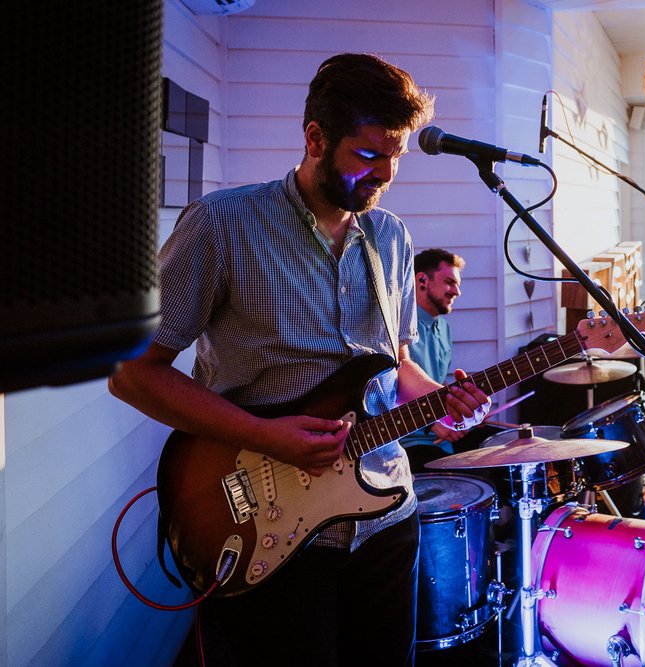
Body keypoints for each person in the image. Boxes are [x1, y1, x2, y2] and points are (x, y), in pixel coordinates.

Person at [108, 53, 491, 666]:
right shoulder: (222, 223)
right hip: (267, 524)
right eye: (368, 155)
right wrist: (266, 435)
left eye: (395, 158)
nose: (385, 174)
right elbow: (133, 372)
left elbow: (394, 366)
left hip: (386, 515)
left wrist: (444, 401)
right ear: (315, 138)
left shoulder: (392, 238)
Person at [400, 248, 476, 471]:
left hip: (444, 443)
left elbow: (435, 385)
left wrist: (463, 405)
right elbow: (385, 391)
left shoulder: (443, 328)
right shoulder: (398, 326)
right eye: (449, 282)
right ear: (422, 280)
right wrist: (431, 422)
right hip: (406, 444)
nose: (457, 291)